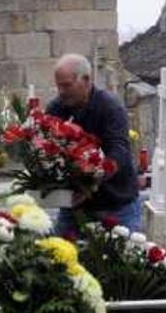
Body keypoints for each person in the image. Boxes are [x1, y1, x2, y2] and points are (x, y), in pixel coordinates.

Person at [46, 54, 141, 235]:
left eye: (67, 85)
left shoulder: (110, 107)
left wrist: (91, 182)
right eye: (59, 86)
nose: (61, 91)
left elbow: (118, 151)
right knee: (62, 259)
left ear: (87, 80)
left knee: (122, 261)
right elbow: (47, 149)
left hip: (116, 204)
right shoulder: (55, 109)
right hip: (74, 206)